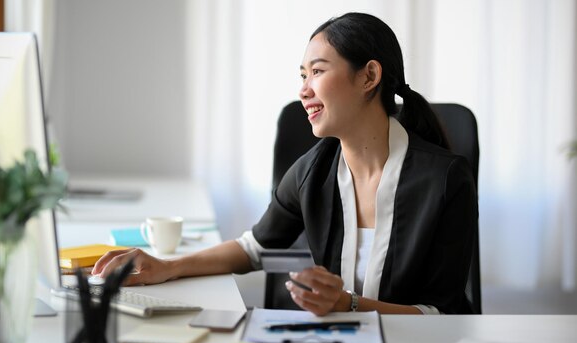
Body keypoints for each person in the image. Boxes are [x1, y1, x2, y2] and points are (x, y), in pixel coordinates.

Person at [92, 12, 477, 316]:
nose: (304, 89)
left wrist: (349, 305)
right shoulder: (313, 170)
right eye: (303, 75)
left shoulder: (444, 179)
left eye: (319, 71)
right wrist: (167, 266)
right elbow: (254, 248)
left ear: (369, 76)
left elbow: (441, 314)